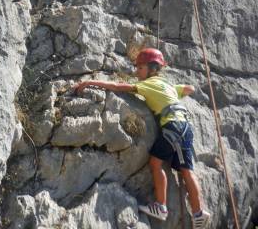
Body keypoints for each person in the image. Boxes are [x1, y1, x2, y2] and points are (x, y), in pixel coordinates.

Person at [74, 48, 210, 229]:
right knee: (186, 171)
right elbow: (190, 88)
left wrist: (90, 82)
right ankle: (198, 213)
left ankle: (161, 207)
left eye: (140, 68)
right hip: (184, 127)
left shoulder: (149, 84)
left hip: (173, 127)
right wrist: (173, 93)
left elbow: (117, 87)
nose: (137, 71)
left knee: (155, 163)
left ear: (152, 68)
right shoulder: (168, 85)